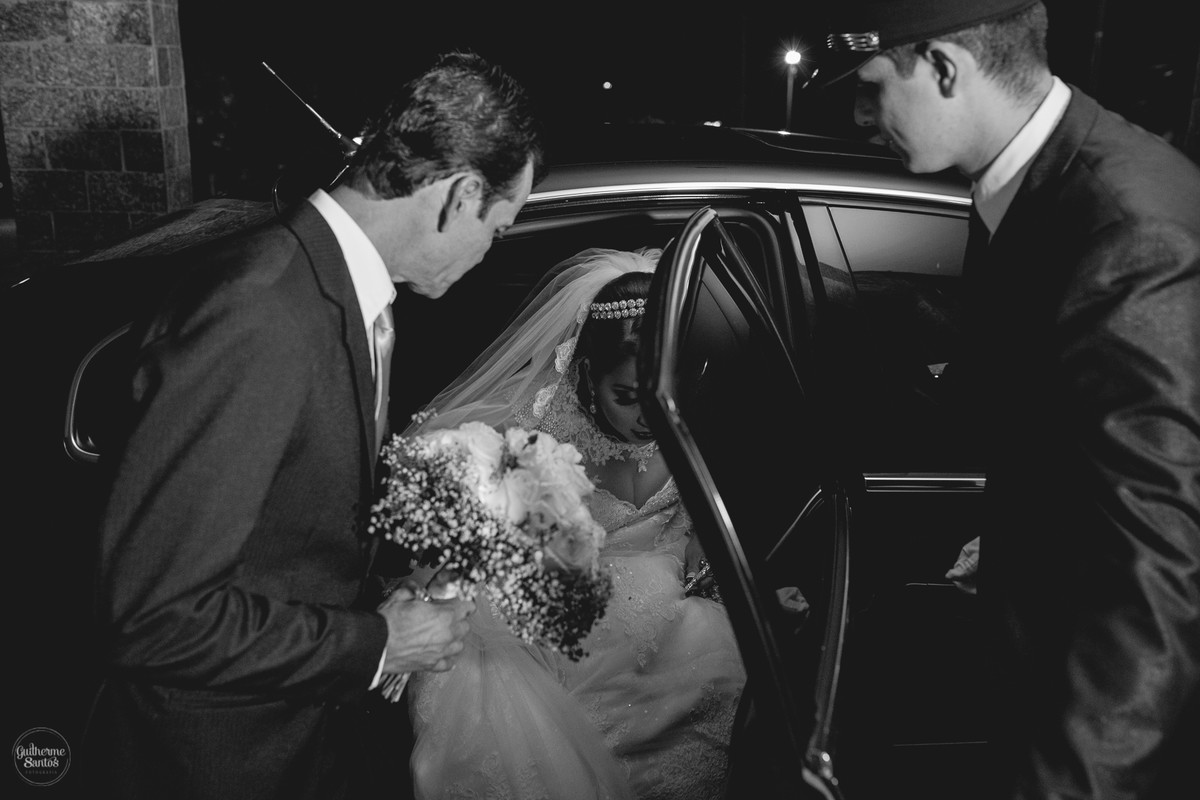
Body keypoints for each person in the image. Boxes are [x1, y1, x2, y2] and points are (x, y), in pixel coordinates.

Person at [82, 51, 546, 800]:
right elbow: (155, 617)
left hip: (298, 738)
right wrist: (380, 643)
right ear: (461, 195)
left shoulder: (343, 293)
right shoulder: (261, 309)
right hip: (215, 761)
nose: (490, 252)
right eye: (500, 227)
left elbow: (285, 528)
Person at [812, 2, 1200, 798]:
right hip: (1033, 656)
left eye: (870, 83)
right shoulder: (1031, 185)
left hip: (1104, 728)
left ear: (946, 68)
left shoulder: (1126, 229)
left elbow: (1157, 562)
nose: (857, 113)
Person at [394, 248, 748, 800]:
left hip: (670, 623)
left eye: (661, 396)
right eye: (627, 396)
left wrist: (704, 543)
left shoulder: (694, 420)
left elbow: (707, 505)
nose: (648, 417)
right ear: (585, 370)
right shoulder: (533, 431)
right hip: (561, 627)